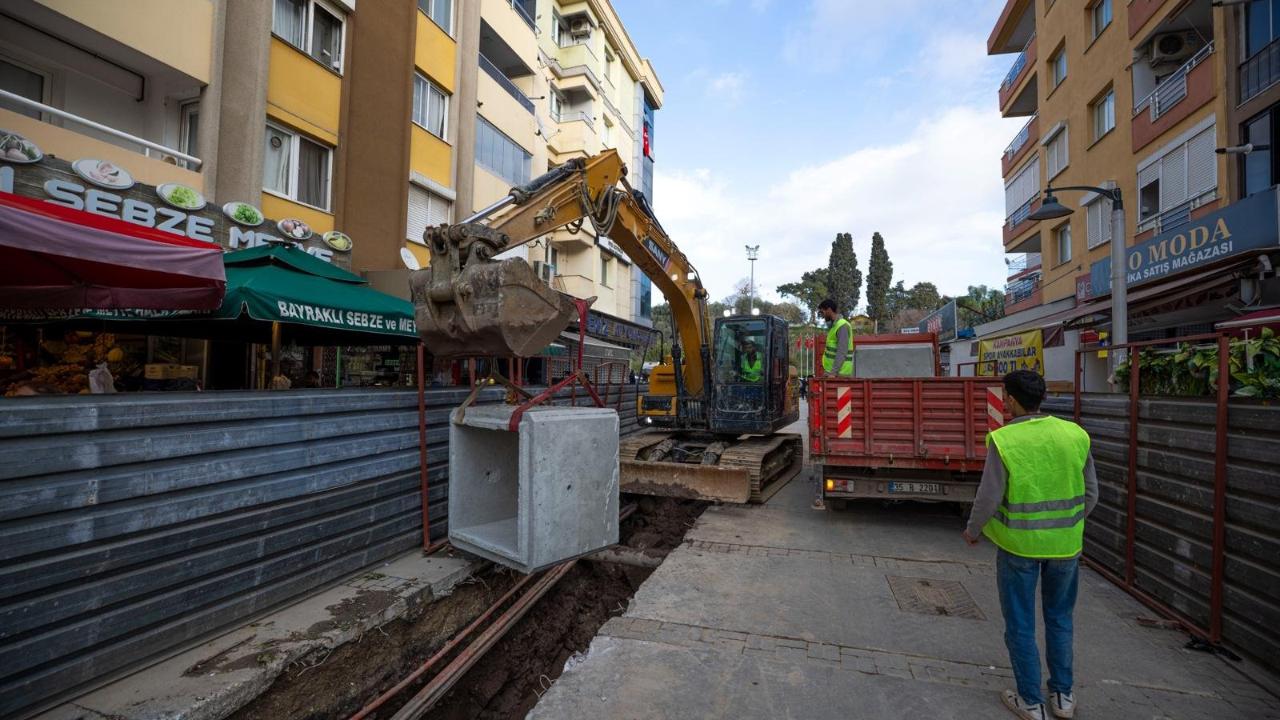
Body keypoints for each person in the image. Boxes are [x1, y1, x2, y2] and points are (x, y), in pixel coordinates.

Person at [964, 370, 1098, 720]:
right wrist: (1065, 524)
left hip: (1019, 549)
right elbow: (1091, 494)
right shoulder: (1075, 435)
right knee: (1060, 619)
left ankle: (1030, 701)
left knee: (1021, 624)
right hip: (1066, 547)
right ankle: (1063, 697)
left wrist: (973, 530)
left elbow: (989, 497)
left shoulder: (1004, 440)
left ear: (1010, 399)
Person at [818, 298, 854, 377]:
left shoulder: (842, 326)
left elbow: (842, 351)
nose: (822, 316)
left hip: (839, 374)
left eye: (822, 312)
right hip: (833, 373)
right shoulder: (834, 326)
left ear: (829, 310)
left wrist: (833, 372)